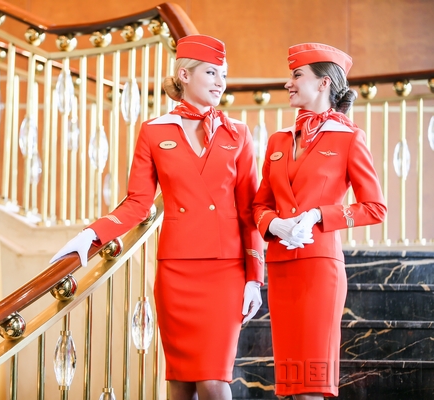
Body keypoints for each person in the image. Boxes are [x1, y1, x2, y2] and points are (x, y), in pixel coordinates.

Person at [50, 34, 265, 400]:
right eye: (211, 72)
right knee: (179, 382)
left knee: (213, 381)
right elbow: (137, 203)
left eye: (223, 75)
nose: (220, 82)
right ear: (184, 74)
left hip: (226, 271)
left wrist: (254, 278)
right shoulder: (154, 131)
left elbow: (250, 211)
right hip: (176, 272)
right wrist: (91, 235)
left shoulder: (238, 134)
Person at [252, 43, 387, 399]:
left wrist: (318, 215)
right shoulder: (278, 140)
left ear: (324, 83)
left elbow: (375, 207)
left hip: (319, 270)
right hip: (281, 268)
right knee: (290, 385)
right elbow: (260, 204)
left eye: (297, 75)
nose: (288, 83)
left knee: (312, 384)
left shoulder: (349, 138)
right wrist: (274, 224)